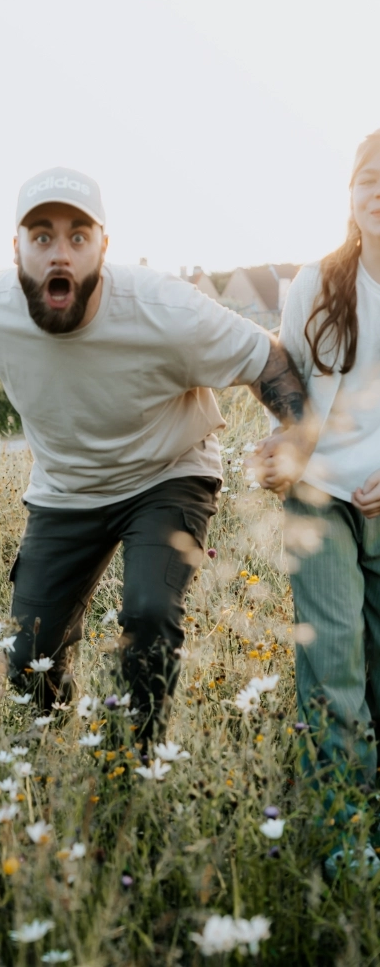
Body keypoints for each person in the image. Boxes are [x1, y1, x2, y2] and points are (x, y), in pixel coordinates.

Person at [0, 166, 308, 742]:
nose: (60, 254)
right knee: (30, 656)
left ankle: (140, 753)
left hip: (168, 474)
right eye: (42, 237)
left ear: (103, 246)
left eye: (78, 237)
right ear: (16, 251)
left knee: (149, 614)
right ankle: (60, 741)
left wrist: (297, 433)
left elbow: (267, 359)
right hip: (66, 491)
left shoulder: (166, 311)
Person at [254, 130, 380, 874]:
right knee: (333, 664)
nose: (379, 187)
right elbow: (288, 387)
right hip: (319, 496)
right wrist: (286, 447)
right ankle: (347, 833)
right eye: (367, 175)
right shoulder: (316, 284)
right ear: (349, 194)